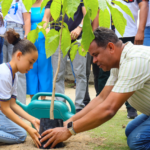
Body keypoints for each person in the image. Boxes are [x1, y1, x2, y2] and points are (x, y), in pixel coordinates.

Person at [40, 27, 150, 150]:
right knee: (130, 130)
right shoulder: (118, 63)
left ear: (111, 47)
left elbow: (108, 109)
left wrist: (69, 130)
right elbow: (102, 98)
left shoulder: (134, 60)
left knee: (137, 141)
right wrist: (67, 123)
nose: (94, 61)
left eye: (96, 55)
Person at [43, 0, 87, 112]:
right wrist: (47, 31)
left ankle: (79, 106)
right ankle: (60, 105)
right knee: (58, 74)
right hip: (58, 38)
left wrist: (79, 28)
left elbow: (87, 15)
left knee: (80, 73)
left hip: (77, 39)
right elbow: (45, 19)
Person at [0, 29, 41, 148]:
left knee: (21, 134)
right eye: (30, 62)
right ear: (19, 55)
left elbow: (12, 104)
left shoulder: (14, 75)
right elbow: (5, 108)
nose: (32, 67)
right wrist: (28, 127)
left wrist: (32, 120)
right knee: (22, 134)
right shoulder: (4, 73)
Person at [112, 0, 148, 119]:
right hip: (112, 33)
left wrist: (140, 30)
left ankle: (131, 108)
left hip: (130, 33)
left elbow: (143, 4)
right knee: (108, 74)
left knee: (130, 70)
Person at [2, 0, 31, 104]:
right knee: (3, 69)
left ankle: (20, 104)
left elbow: (27, 19)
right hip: (1, 29)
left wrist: (26, 36)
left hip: (17, 30)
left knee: (19, 68)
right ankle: (4, 105)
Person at [26, 0, 53, 100]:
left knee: (44, 68)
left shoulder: (48, 3)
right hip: (30, 39)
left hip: (44, 40)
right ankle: (33, 100)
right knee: (30, 68)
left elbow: (52, 19)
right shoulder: (27, 4)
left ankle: (43, 99)